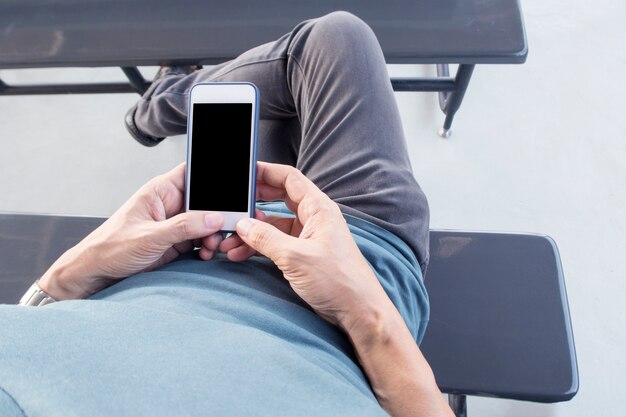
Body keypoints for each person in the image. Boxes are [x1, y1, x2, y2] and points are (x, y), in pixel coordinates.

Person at [0, 12, 452, 417]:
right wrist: (367, 316)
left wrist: (69, 277)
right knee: (332, 43)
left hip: (190, 252)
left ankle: (158, 104)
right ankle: (156, 105)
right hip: (357, 268)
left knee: (267, 123)